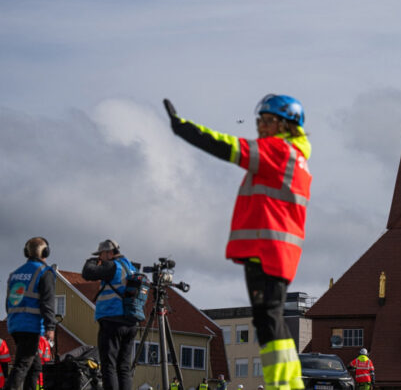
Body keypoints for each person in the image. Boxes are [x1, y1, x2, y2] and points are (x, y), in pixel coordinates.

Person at [164, 95, 311, 390]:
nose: (261, 127)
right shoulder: (295, 156)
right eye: (260, 121)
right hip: (275, 251)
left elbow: (228, 146)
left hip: (266, 250)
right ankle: (288, 384)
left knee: (269, 320)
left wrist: (184, 128)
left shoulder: (278, 150)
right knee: (272, 319)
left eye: (268, 121)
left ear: (287, 125)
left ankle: (283, 386)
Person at [81, 239, 139, 390]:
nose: (100, 258)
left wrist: (91, 261)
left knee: (109, 367)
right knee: (124, 368)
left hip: (112, 320)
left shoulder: (112, 266)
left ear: (109, 253)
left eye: (101, 254)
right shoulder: (130, 267)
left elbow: (87, 273)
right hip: (131, 322)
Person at [5, 237, 56, 390]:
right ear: (45, 251)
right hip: (31, 326)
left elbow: (8, 303)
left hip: (14, 325)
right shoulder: (44, 272)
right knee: (22, 365)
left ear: (26, 252)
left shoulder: (15, 274)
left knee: (35, 367)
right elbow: (47, 302)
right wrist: (50, 327)